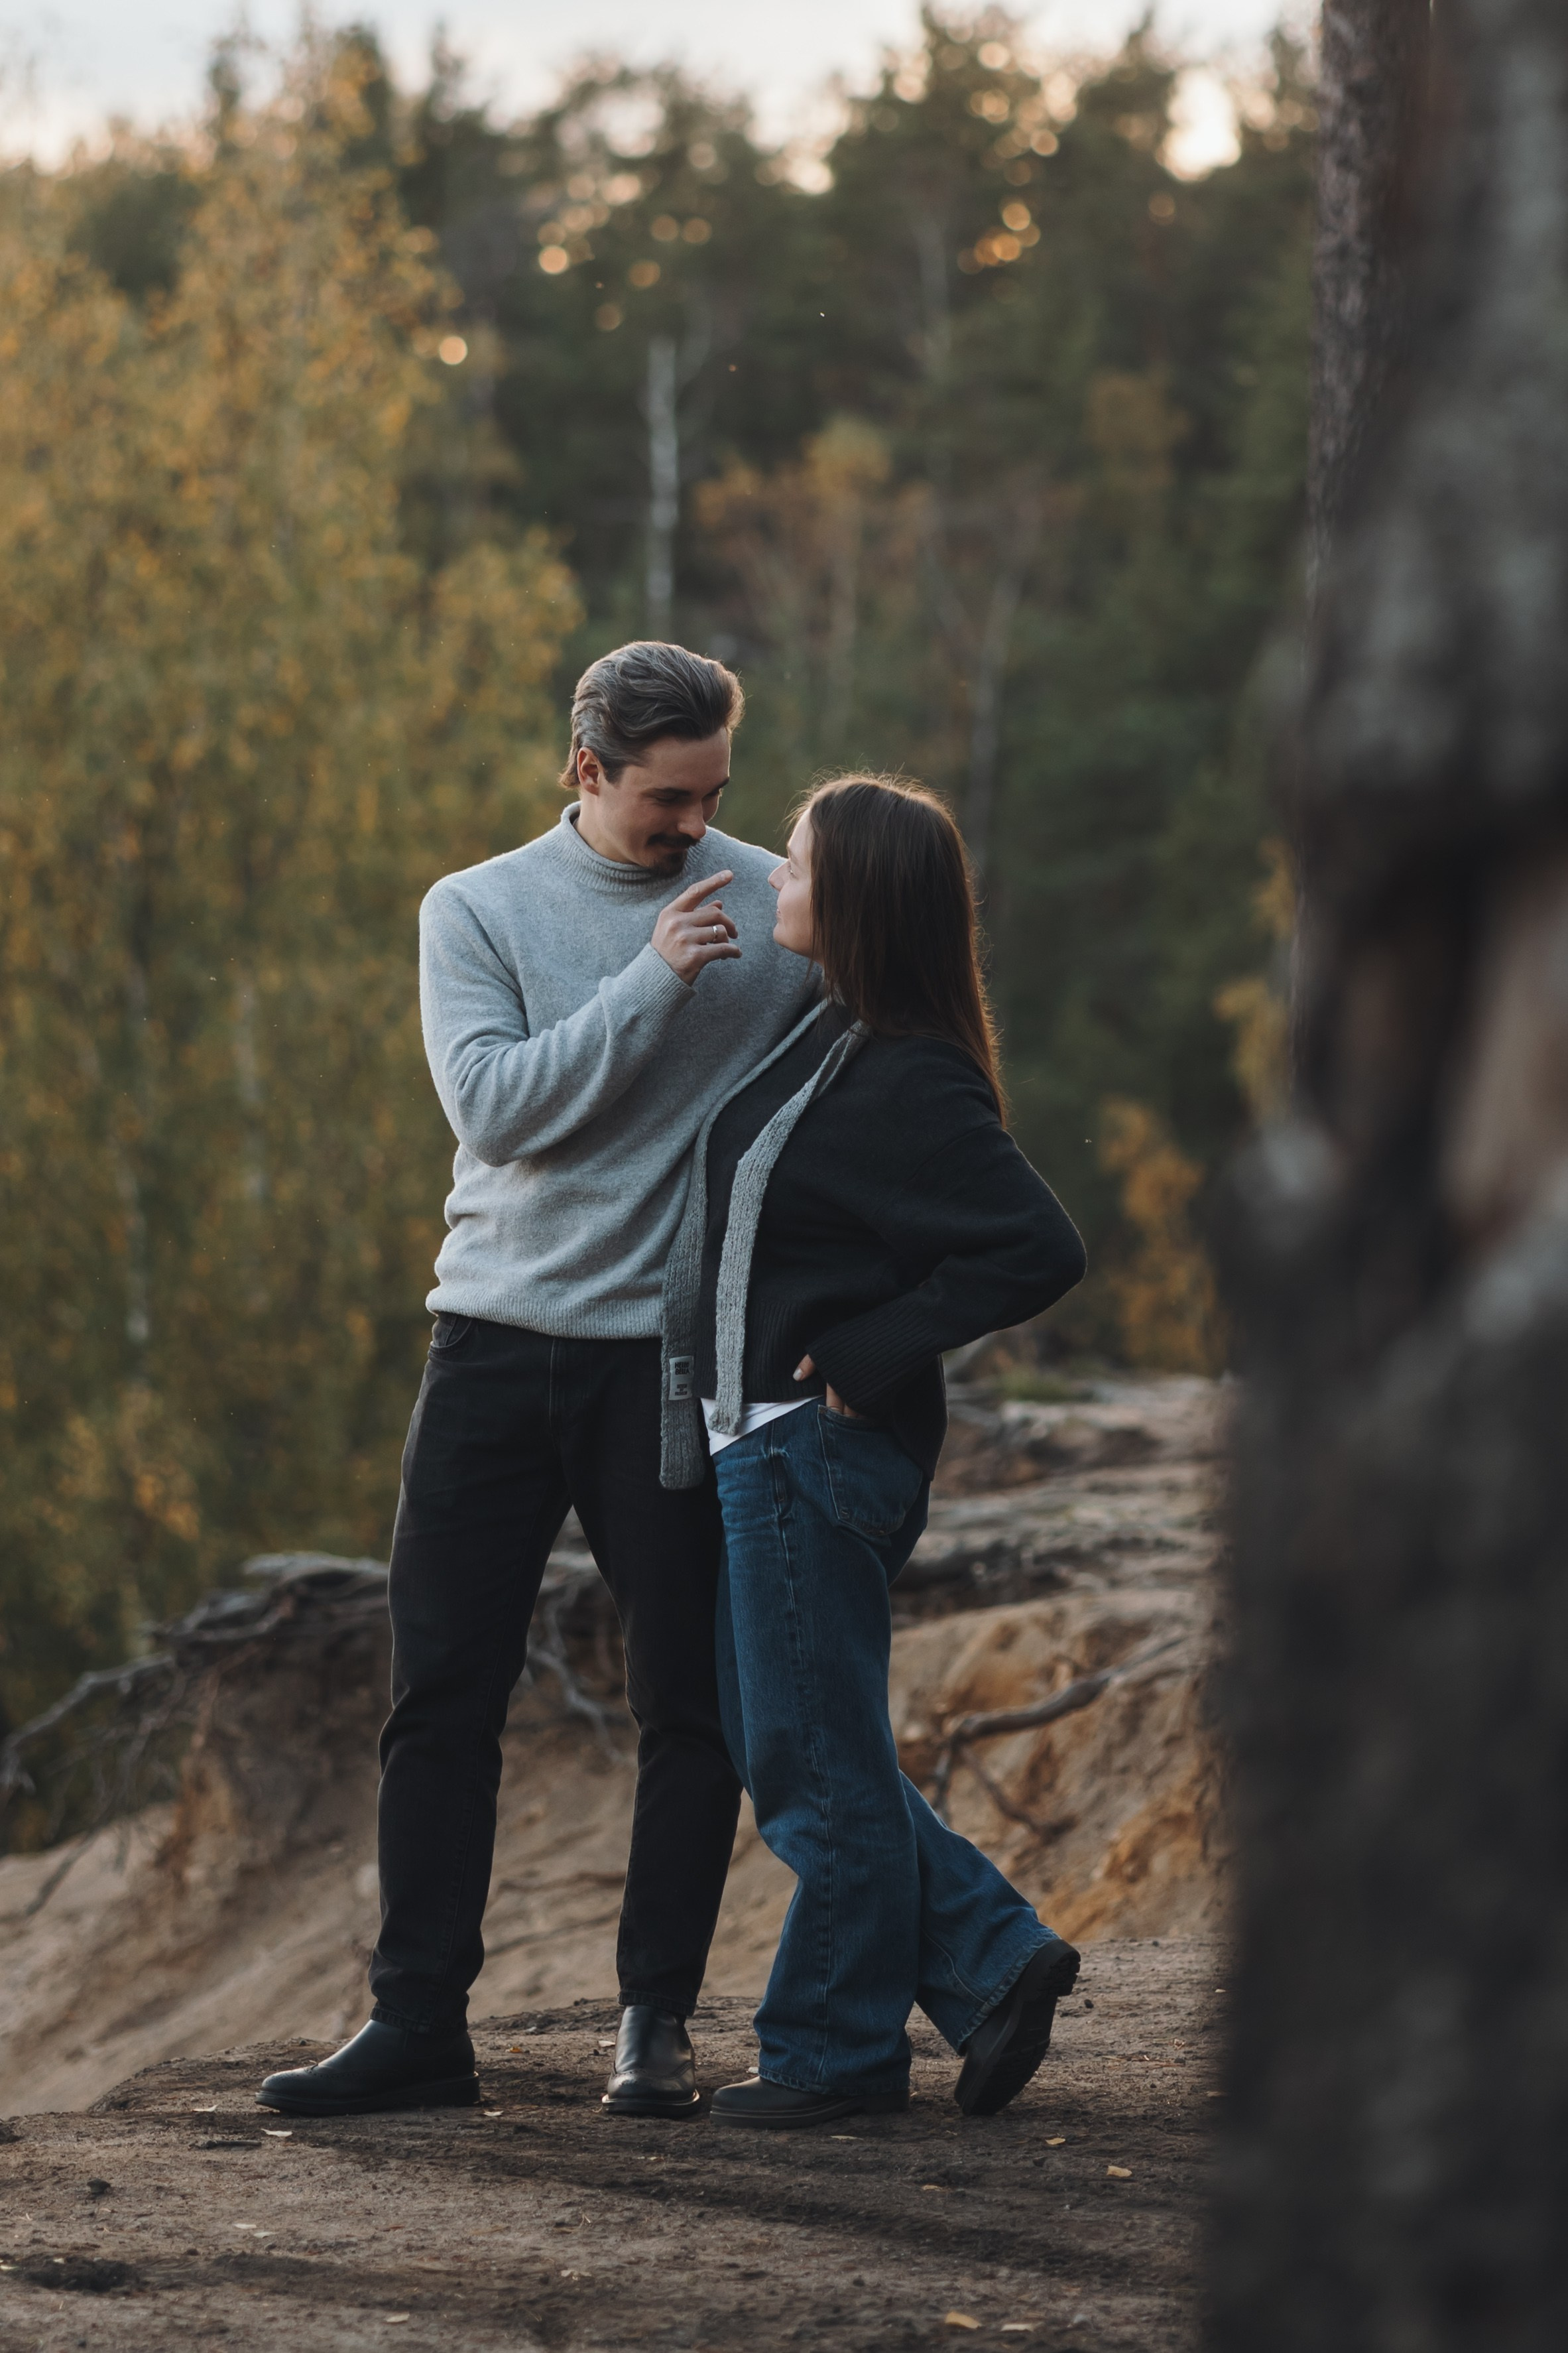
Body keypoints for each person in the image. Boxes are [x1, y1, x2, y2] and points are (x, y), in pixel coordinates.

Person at [258, 643, 819, 2122]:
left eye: (714, 795)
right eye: (666, 800)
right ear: (586, 771)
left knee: (687, 1704)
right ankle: (416, 2025)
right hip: (491, 1349)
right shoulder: (476, 907)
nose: (697, 827)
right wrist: (651, 980)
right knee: (441, 1694)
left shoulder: (778, 906)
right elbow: (497, 1111)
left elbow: (867, 1082)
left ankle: (655, 2024)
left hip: (668, 1366)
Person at [659, 775, 1088, 2128]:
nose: (773, 881)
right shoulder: (828, 1035)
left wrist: (870, 1349)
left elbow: (1037, 1248)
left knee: (813, 1763)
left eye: (793, 865)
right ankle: (992, 1959)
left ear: (854, 895)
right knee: (791, 1744)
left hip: (813, 1454)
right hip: (760, 1453)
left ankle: (834, 2053)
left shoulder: (907, 1072)